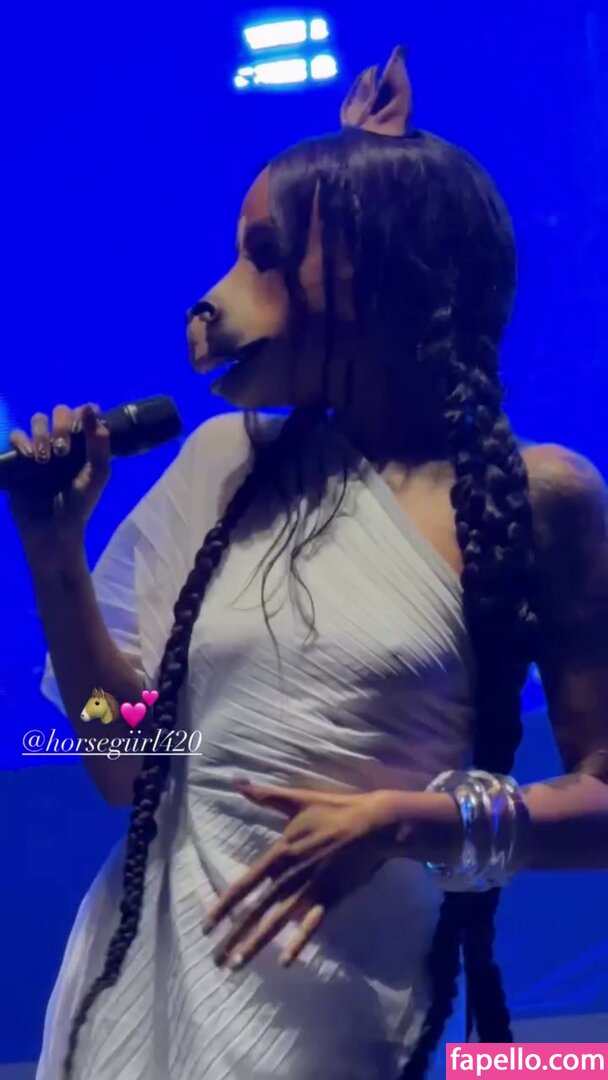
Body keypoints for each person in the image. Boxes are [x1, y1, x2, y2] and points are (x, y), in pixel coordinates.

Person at [10, 47, 608, 1080]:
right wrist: (54, 553)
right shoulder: (223, 465)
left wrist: (408, 824)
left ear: (385, 271)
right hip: (136, 1006)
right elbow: (120, 762)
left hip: (336, 1019)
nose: (211, 303)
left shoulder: (540, 497)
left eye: (266, 256)